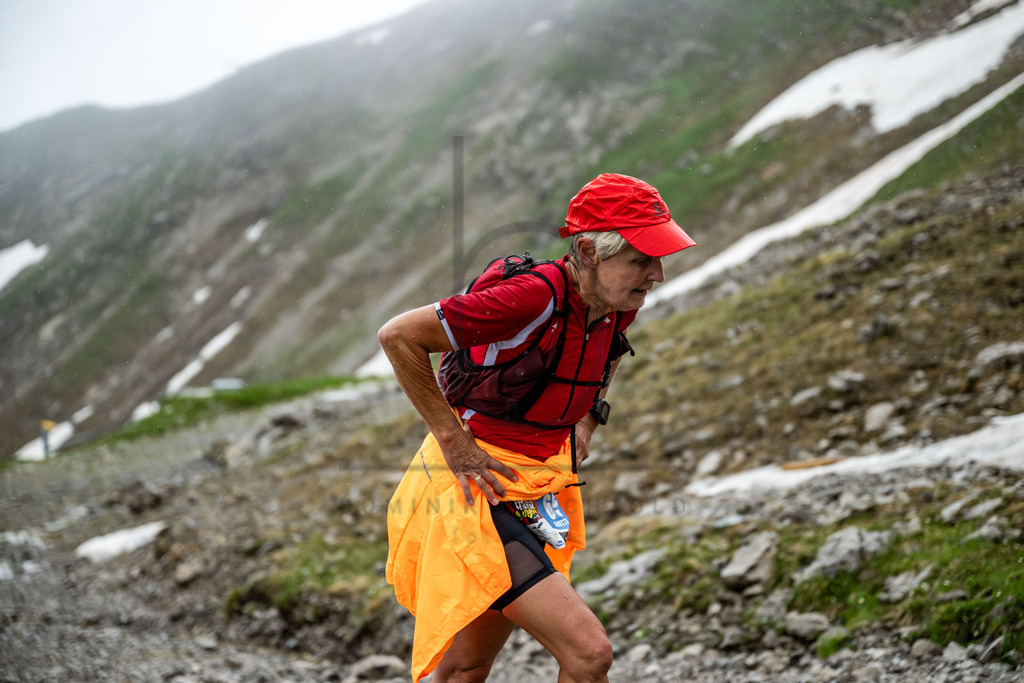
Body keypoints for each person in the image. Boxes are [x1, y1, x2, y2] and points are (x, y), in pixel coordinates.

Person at [378, 173, 696, 682]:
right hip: (475, 485)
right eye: (641, 260)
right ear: (589, 251)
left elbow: (608, 353)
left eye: (658, 259)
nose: (656, 275)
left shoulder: (616, 303)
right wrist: (456, 445)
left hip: (535, 482)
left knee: (466, 667)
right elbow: (398, 337)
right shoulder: (531, 298)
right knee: (589, 653)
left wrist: (589, 419)